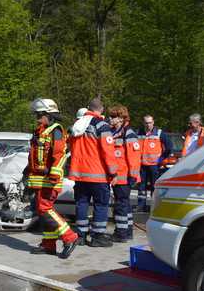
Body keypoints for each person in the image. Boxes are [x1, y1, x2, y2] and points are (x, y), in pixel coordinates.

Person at [26, 98, 79, 258]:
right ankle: (48, 245)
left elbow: (60, 155)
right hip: (40, 180)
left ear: (48, 115)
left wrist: (54, 175)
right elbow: (35, 157)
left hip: (50, 179)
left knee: (45, 209)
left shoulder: (55, 131)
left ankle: (70, 237)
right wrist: (26, 173)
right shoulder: (40, 131)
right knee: (43, 212)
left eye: (39, 115)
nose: (37, 118)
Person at [68, 97, 118, 247]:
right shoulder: (102, 125)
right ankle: (97, 236)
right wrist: (113, 173)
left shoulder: (77, 125)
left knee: (81, 203)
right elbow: (108, 151)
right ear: (101, 109)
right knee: (101, 205)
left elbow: (69, 146)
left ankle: (81, 235)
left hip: (79, 174)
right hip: (98, 174)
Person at [107, 105, 141, 243]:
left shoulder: (128, 133)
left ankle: (121, 233)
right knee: (124, 204)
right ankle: (127, 231)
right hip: (119, 177)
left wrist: (132, 176)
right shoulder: (116, 132)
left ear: (121, 118)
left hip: (125, 177)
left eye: (113, 116)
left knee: (121, 205)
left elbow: (134, 156)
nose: (111, 119)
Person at [136, 115, 172, 211]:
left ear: (153, 122)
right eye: (146, 123)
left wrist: (160, 160)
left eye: (150, 122)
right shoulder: (139, 133)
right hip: (142, 164)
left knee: (154, 186)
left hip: (154, 166)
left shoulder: (159, 133)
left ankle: (154, 206)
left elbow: (169, 147)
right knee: (141, 187)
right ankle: (141, 206)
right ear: (143, 123)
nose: (148, 125)